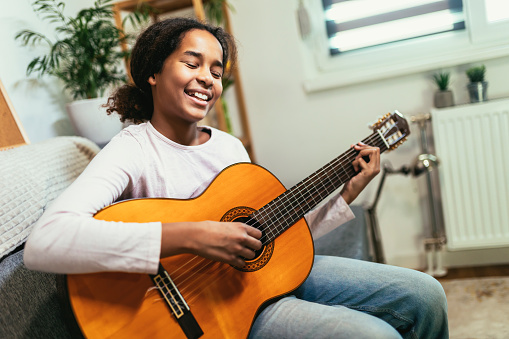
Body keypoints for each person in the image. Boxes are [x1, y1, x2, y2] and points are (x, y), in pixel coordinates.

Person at [24, 17, 448, 339]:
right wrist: (191, 235)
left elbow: (274, 244)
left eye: (216, 70)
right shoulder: (133, 149)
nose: (207, 78)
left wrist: (344, 195)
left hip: (261, 283)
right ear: (153, 72)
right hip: (211, 312)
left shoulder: (229, 148)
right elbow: (45, 244)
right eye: (192, 63)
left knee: (427, 295)